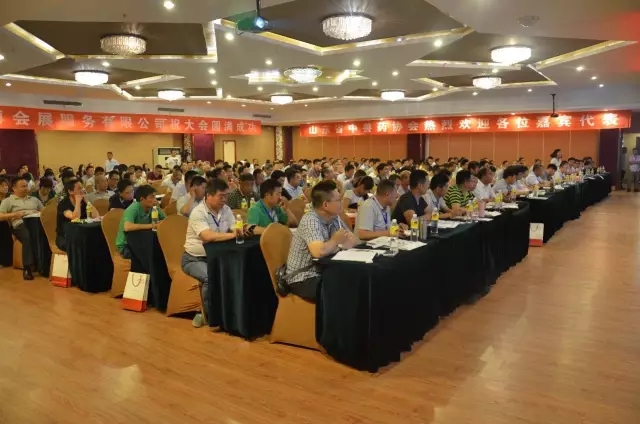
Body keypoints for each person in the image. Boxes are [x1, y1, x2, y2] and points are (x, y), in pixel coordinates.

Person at [285, 181, 357, 301]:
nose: (342, 202)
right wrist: (335, 241)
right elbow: (319, 252)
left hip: (324, 271)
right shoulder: (310, 220)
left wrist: (336, 245)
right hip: (303, 278)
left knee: (357, 280)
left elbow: (353, 241)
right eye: (338, 200)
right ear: (325, 205)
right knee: (345, 290)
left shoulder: (334, 217)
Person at [182, 179, 239, 328]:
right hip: (194, 259)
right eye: (221, 196)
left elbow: (234, 227)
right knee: (210, 277)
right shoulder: (198, 212)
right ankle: (209, 314)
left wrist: (239, 230)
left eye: (226, 196)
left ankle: (231, 311)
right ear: (208, 195)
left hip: (218, 257)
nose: (224, 200)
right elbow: (207, 236)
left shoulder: (226, 210)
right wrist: (232, 235)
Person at [0, 176, 45, 280]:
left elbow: (45, 212)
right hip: (20, 224)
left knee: (43, 235)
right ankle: (27, 268)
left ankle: (43, 265)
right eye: (22, 186)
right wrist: (15, 214)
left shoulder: (34, 199)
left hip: (36, 222)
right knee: (27, 237)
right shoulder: (8, 201)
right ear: (14, 188)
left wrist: (39, 212)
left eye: (26, 186)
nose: (26, 188)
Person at [115, 185, 166, 259]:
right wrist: (153, 225)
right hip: (126, 246)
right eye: (152, 197)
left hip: (143, 241)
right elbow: (127, 227)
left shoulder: (154, 207)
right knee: (155, 255)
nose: (155, 200)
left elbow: (166, 221)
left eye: (155, 197)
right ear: (142, 199)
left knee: (163, 250)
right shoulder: (133, 208)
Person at [56, 179, 99, 251]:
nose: (83, 190)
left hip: (82, 234)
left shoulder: (84, 202)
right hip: (65, 236)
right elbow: (75, 218)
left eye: (82, 187)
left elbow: (96, 216)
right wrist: (78, 201)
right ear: (70, 191)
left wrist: (87, 201)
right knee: (80, 246)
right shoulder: (63, 204)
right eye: (79, 188)